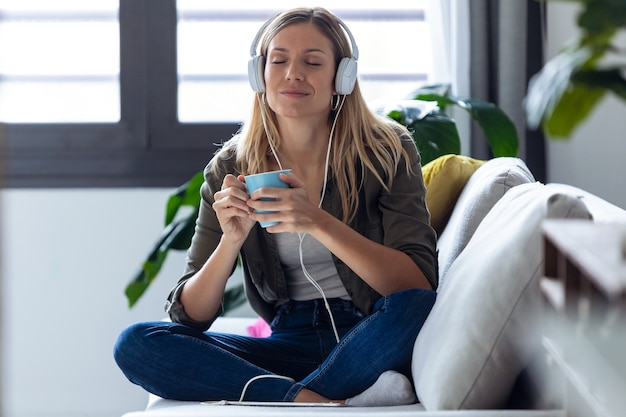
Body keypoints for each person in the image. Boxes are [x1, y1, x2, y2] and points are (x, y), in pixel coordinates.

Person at [114, 7, 438, 406]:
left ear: (343, 77)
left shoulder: (387, 150)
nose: (293, 74)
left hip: (370, 330)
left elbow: (416, 285)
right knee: (136, 344)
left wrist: (317, 221)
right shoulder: (231, 166)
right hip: (289, 341)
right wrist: (230, 241)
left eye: (313, 62)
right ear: (259, 75)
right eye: (278, 60)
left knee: (415, 308)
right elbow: (190, 316)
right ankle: (315, 400)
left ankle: (292, 397)